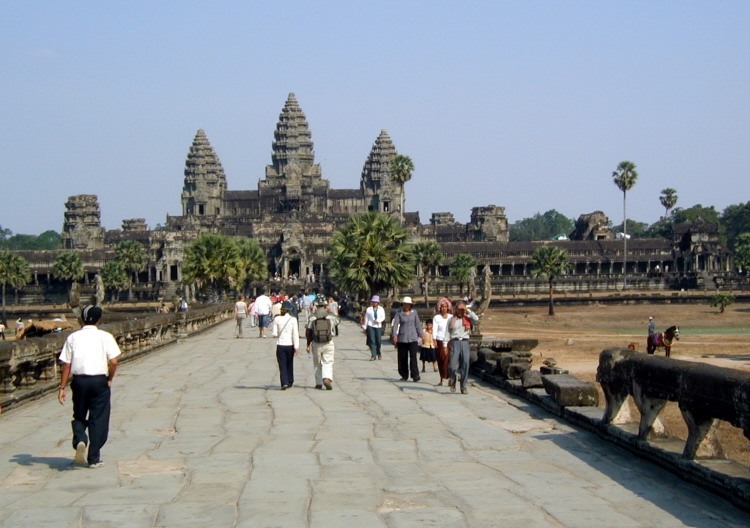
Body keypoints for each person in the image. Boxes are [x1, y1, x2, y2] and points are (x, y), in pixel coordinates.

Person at [57, 305, 121, 467]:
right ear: (99, 319)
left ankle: (80, 439)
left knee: (79, 414)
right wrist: (110, 378)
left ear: (81, 319)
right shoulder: (105, 336)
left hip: (79, 381)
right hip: (99, 380)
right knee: (98, 418)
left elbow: (66, 365)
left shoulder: (73, 337)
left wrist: (62, 387)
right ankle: (94, 458)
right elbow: (114, 362)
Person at [444, 300, 478, 394]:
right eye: (459, 309)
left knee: (465, 364)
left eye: (463, 309)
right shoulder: (451, 320)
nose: (461, 311)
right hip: (454, 342)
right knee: (452, 366)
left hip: (465, 342)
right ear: (456, 309)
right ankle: (453, 379)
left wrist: (468, 311)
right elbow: (447, 332)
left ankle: (463, 386)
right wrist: (444, 345)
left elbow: (476, 320)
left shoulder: (467, 318)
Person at [306, 295, 339, 390]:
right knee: (328, 361)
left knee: (317, 363)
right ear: (325, 305)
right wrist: (330, 311)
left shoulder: (312, 317)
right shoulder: (330, 316)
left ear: (316, 305)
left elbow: (308, 331)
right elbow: (337, 321)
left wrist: (308, 344)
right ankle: (327, 378)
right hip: (328, 342)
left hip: (316, 342)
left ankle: (319, 382)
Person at [391, 296, 423, 382]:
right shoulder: (399, 313)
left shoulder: (414, 313)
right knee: (402, 357)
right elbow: (396, 325)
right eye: (405, 304)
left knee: (413, 357)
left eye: (408, 305)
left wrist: (421, 335)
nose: (406, 306)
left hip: (413, 338)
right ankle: (404, 375)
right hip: (402, 338)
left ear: (410, 305)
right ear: (402, 305)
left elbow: (418, 324)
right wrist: (394, 335)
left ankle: (415, 375)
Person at [272, 300, 299, 390]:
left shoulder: (277, 319)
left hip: (280, 344)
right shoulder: (293, 319)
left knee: (282, 364)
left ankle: (284, 382)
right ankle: (290, 381)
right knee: (289, 363)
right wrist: (296, 347)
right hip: (290, 345)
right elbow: (295, 334)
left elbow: (274, 334)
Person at [432, 298, 453, 386]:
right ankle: (442, 378)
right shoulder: (437, 318)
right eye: (442, 307)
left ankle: (450, 377)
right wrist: (434, 339)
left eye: (445, 307)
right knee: (441, 359)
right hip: (439, 340)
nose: (443, 308)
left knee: (449, 360)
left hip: (449, 340)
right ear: (439, 308)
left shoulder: (451, 317)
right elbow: (435, 329)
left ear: (448, 308)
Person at [361, 295, 386, 360]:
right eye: (373, 302)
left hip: (378, 326)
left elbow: (383, 317)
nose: (374, 303)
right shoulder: (369, 309)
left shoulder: (381, 309)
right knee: (372, 340)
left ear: (378, 303)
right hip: (370, 326)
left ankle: (378, 352)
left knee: (378, 341)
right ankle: (373, 355)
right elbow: (366, 318)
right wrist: (364, 327)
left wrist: (378, 321)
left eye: (375, 302)